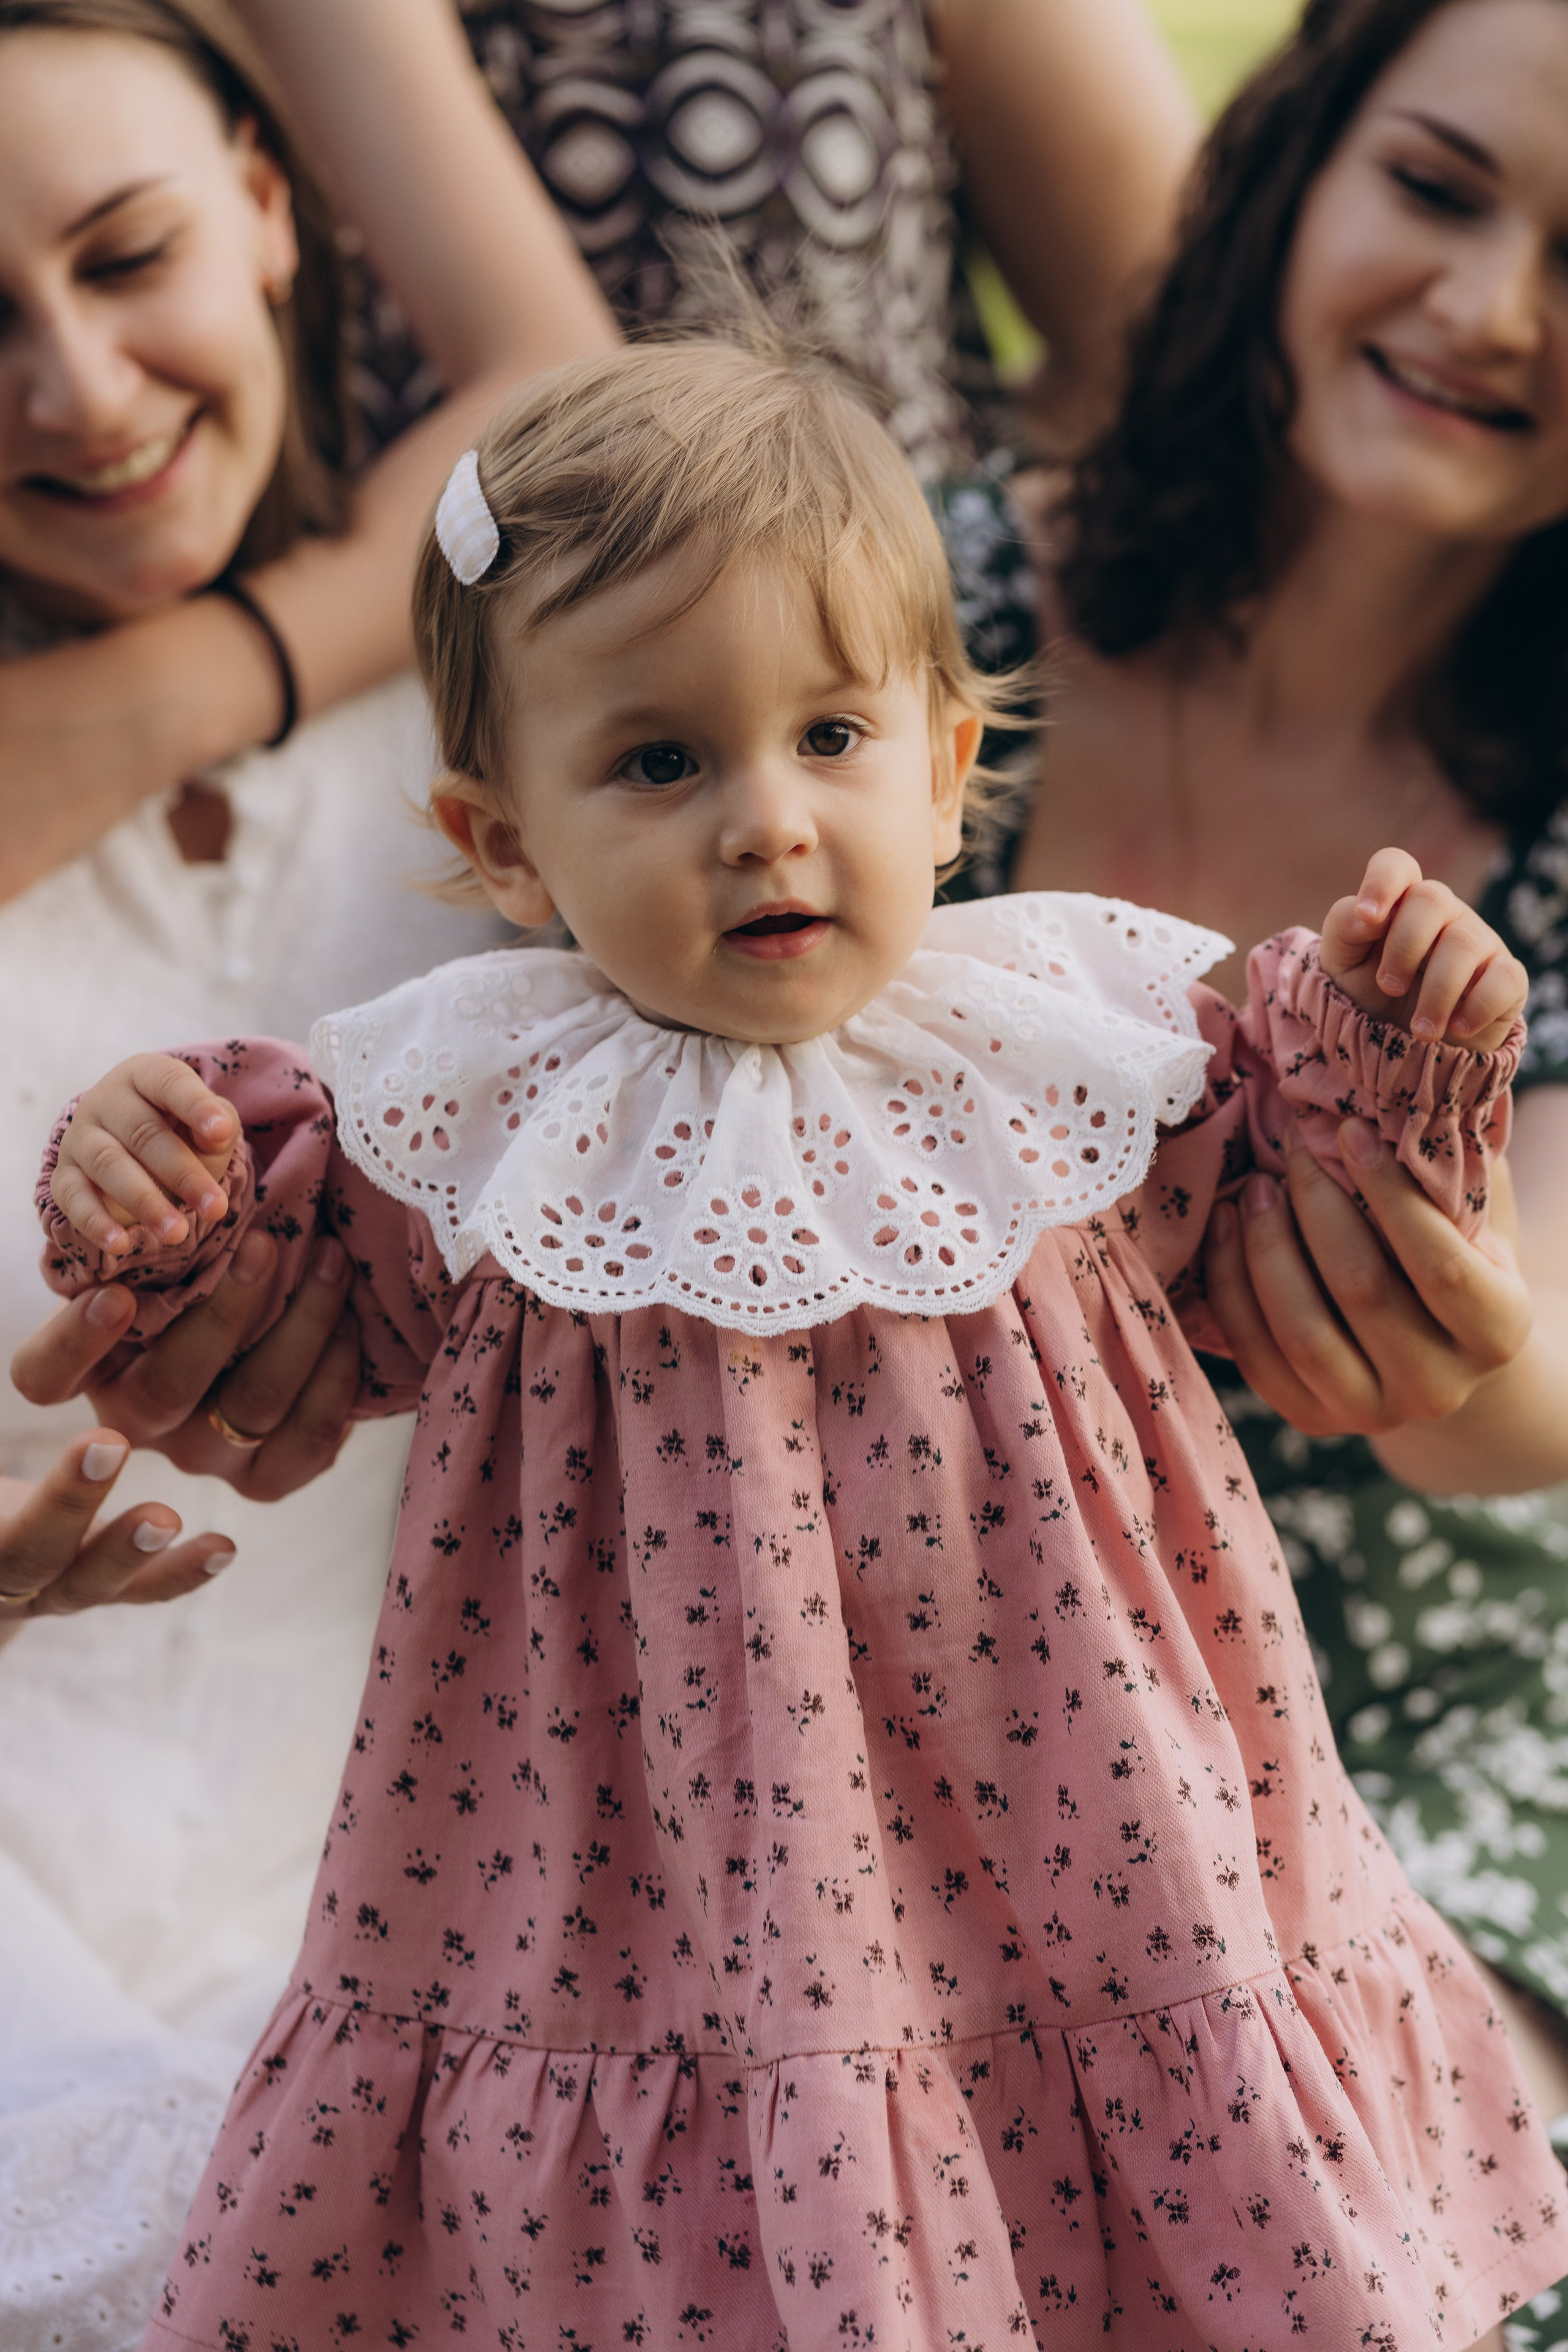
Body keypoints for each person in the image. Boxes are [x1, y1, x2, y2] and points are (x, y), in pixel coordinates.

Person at [38, 333, 1562, 2350]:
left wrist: (1402, 1030)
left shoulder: (1068, 1040)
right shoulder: (470, 1112)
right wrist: (158, 1194)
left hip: (1090, 1814)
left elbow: (1307, 1192)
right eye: (660, 763)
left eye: (828, 739)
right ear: (504, 845)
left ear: (943, 771)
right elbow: (288, 1318)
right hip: (640, 1859)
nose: (764, 820)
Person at [0, 2, 617, 2340]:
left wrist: (187, 677)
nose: (74, 390)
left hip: (462, 1875)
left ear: (273, 207)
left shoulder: (524, 753)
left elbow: (564, 388)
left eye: (127, 251)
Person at [1005, 2, 1568, 2343]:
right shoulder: (878, 620)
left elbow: (1508, 1425)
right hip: (867, 1665)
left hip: (1380, 1712)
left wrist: (1442, 1314)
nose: (1493, 310)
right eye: (1438, 190)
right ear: (1292, 176)